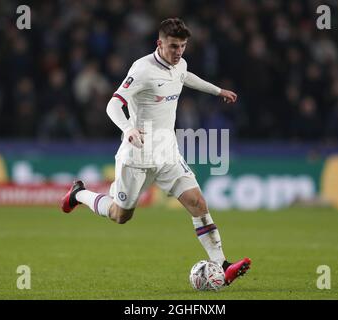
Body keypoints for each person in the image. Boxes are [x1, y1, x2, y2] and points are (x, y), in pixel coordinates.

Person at [61, 18, 251, 286]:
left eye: (183, 46)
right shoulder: (142, 69)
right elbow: (113, 105)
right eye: (173, 46)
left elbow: (185, 77)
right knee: (120, 215)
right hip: (137, 154)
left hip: (167, 152)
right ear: (159, 44)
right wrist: (128, 128)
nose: (179, 52)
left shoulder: (180, 64)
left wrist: (217, 90)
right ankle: (78, 194)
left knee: (198, 203)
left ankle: (223, 264)